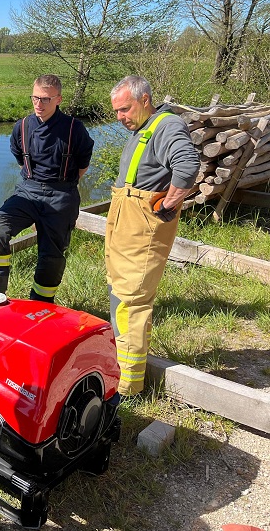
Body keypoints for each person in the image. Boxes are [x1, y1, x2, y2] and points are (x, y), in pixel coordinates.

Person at [106, 76, 199, 396]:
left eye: (125, 109)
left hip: (141, 224)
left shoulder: (167, 125)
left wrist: (169, 203)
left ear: (145, 99)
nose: (120, 117)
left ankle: (129, 386)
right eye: (117, 111)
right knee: (119, 293)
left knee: (131, 300)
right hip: (125, 220)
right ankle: (121, 367)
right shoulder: (143, 128)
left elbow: (187, 164)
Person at [0, 74, 93, 303]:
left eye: (45, 99)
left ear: (58, 99)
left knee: (51, 256)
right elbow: (21, 160)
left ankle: (40, 305)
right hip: (28, 191)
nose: (38, 105)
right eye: (35, 98)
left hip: (62, 194)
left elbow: (83, 166)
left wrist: (63, 187)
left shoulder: (74, 129)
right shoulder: (21, 127)